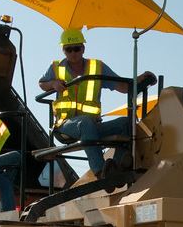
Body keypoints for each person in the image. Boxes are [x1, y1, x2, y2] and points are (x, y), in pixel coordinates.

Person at [39, 28, 155, 177]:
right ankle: (100, 171)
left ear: (83, 48)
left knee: (128, 122)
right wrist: (53, 83)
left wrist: (140, 80)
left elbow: (123, 87)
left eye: (76, 48)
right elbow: (42, 83)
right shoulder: (56, 67)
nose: (73, 53)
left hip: (92, 127)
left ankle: (118, 166)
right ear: (63, 51)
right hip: (65, 125)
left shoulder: (98, 67)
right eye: (69, 50)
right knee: (85, 122)